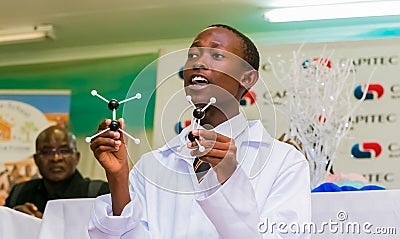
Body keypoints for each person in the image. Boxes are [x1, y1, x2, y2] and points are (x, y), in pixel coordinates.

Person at [88, 24, 311, 238]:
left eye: (217, 55)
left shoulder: (284, 162)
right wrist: (118, 178)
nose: (198, 63)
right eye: (193, 55)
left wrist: (229, 178)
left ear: (247, 78)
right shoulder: (152, 165)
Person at [5, 125, 109, 218]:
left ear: (77, 157)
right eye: (47, 152)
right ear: (36, 159)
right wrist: (14, 218)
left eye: (64, 151)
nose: (56, 158)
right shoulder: (19, 193)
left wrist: (44, 224)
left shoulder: (98, 194)